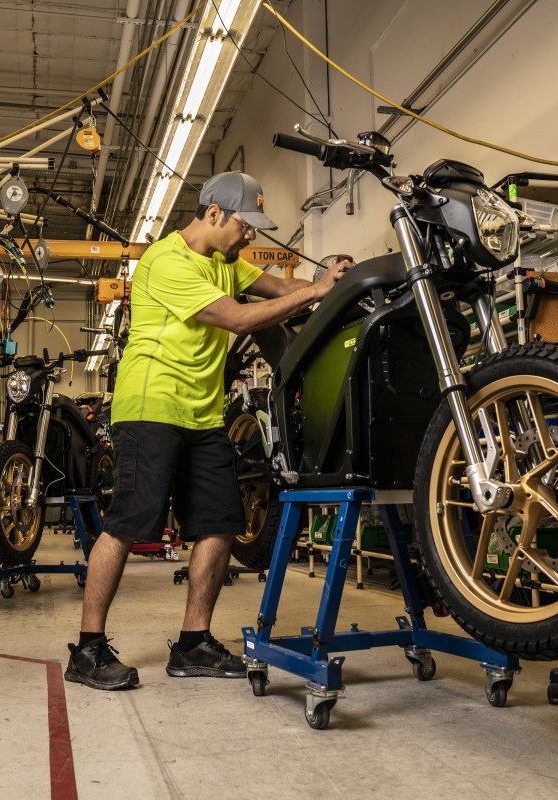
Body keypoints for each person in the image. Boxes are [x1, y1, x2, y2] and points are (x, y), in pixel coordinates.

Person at [65, 172, 353, 690]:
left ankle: (193, 642)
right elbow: (238, 319)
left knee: (220, 522)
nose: (251, 236)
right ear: (215, 213)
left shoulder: (226, 261)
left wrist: (332, 282)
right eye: (246, 224)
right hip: (151, 406)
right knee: (127, 523)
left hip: (203, 414)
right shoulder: (166, 261)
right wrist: (314, 291)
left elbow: (283, 289)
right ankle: (87, 649)